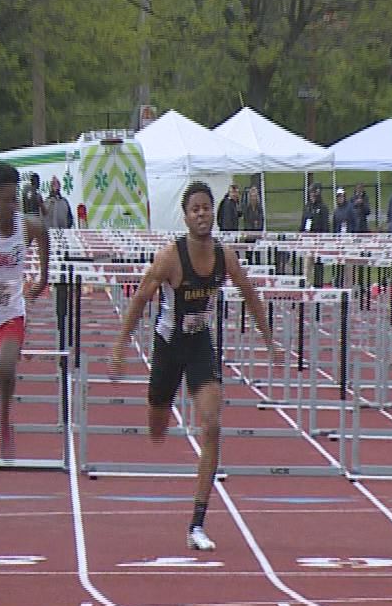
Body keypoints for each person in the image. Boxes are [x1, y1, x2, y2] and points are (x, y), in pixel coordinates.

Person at [109, 182, 277, 551]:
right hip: (169, 346)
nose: (202, 214)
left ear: (213, 212)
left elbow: (249, 294)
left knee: (212, 424)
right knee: (157, 426)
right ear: (185, 217)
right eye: (195, 209)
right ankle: (158, 404)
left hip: (200, 344)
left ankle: (197, 523)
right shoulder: (170, 257)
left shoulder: (224, 256)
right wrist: (121, 345)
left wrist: (269, 341)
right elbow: (140, 300)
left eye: (206, 207)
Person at [0, 164, 50, 507]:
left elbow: (45, 250)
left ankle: (7, 416)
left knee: (5, 367)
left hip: (12, 314)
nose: (11, 206)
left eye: (14, 199)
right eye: (4, 200)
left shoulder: (28, 226)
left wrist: (39, 284)